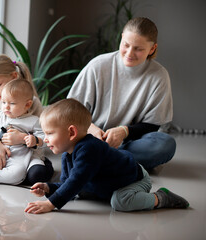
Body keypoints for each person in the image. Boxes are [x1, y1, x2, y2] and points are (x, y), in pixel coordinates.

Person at [24, 99, 189, 214]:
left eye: (49, 133)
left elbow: (77, 181)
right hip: (107, 183)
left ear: (72, 132)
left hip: (134, 179)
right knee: (81, 191)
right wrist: (48, 188)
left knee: (120, 202)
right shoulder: (67, 154)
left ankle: (160, 198)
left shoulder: (89, 149)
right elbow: (68, 182)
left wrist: (50, 204)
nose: (45, 139)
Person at [67, 17, 175, 170]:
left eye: (138, 49)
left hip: (130, 141)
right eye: (126, 45)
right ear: (122, 37)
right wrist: (91, 128)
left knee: (166, 144)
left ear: (152, 49)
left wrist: (124, 131)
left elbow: (152, 125)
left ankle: (97, 161)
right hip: (92, 137)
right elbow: (70, 110)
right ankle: (117, 163)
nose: (130, 53)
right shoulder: (98, 66)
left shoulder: (159, 76)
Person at [0, 54, 54, 184]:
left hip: (26, 153)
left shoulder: (32, 102)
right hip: (0, 150)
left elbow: (43, 130)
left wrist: (22, 138)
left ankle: (39, 167)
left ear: (14, 76)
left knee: (36, 176)